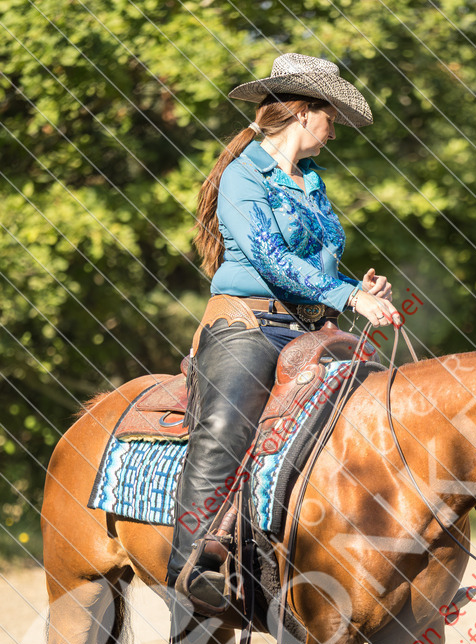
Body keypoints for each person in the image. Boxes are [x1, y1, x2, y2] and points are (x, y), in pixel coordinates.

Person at [167, 53, 403, 609]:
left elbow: (312, 265)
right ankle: (192, 567)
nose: (335, 128)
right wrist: (350, 298)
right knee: (226, 428)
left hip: (308, 328)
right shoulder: (243, 176)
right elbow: (270, 260)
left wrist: (354, 285)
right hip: (247, 324)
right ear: (303, 112)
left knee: (376, 419)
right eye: (332, 115)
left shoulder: (312, 180)